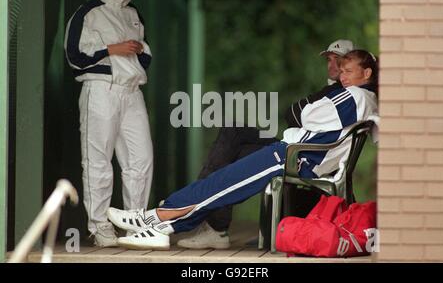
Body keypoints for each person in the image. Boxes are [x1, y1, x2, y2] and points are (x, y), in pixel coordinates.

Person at [107, 49, 379, 250]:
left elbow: (307, 114)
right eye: (341, 71)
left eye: (348, 71)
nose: (342, 77)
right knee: (221, 185)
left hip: (296, 157)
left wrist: (311, 106)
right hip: (294, 153)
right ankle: (158, 222)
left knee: (221, 185)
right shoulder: (362, 98)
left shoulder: (356, 96)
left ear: (366, 74)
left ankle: (155, 220)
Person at [171, 39, 355, 250]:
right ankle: (212, 224)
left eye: (339, 61)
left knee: (234, 143)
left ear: (352, 66)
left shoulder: (344, 94)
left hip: (301, 154)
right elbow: (293, 113)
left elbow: (294, 113)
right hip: (295, 145)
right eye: (329, 59)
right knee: (234, 134)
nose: (333, 65)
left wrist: (307, 105)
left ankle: (212, 225)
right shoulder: (333, 90)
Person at [64, 0, 154, 247]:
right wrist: (112, 50)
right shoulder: (88, 12)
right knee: (98, 161)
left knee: (141, 160)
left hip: (132, 91)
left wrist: (136, 52)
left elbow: (146, 54)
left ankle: (135, 224)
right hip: (100, 90)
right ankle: (100, 226)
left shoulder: (133, 13)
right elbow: (74, 57)